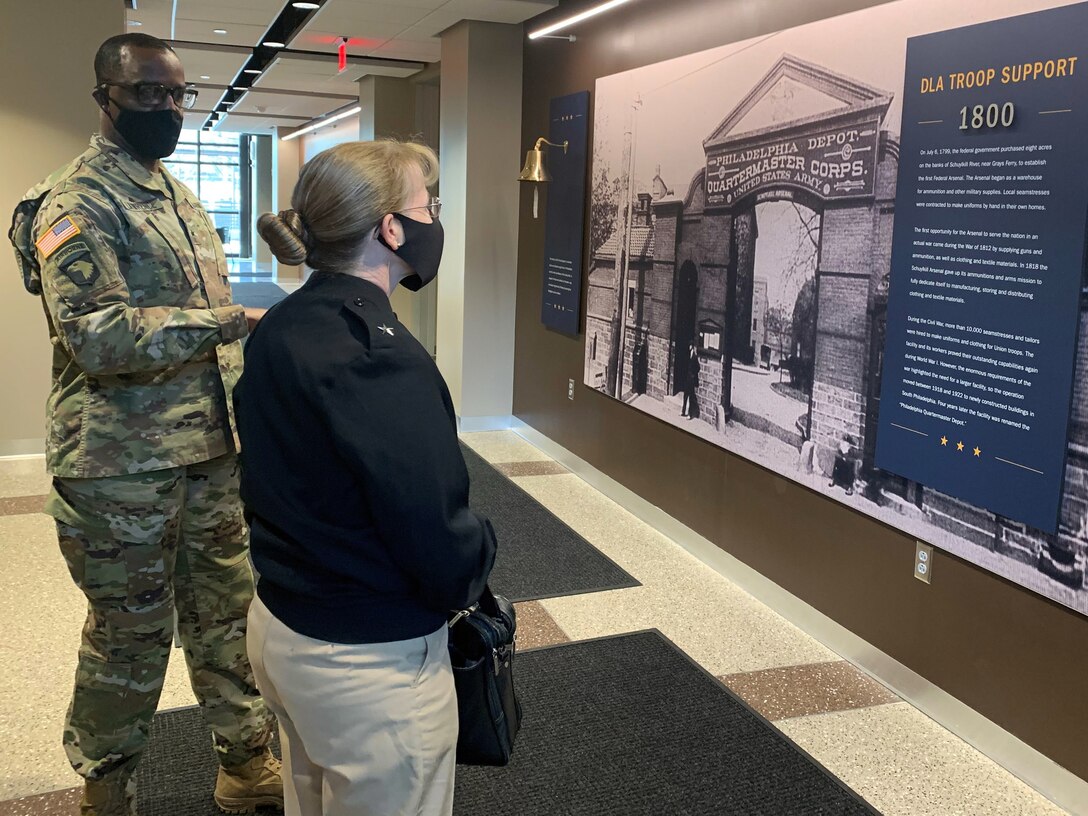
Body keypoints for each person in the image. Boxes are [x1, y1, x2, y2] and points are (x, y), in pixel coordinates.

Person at [8, 33, 280, 816]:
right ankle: (106, 787)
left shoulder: (175, 195)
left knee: (228, 614)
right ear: (106, 99)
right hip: (118, 468)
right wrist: (228, 322)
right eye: (148, 95)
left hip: (206, 453)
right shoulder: (76, 201)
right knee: (128, 638)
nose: (166, 109)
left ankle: (243, 763)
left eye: (176, 95)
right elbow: (98, 336)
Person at [235, 140, 498, 816]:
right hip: (367, 665)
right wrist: (482, 551)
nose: (435, 219)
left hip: (284, 627)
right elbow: (435, 537)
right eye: (428, 206)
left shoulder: (282, 324)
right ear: (390, 228)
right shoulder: (378, 359)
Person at [681, 342, 700, 419]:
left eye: (690, 345)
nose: (688, 347)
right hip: (687, 378)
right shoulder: (688, 354)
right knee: (685, 395)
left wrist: (693, 375)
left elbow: (698, 367)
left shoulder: (694, 356)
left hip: (691, 380)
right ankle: (683, 411)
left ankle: (690, 414)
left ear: (692, 346)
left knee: (691, 397)